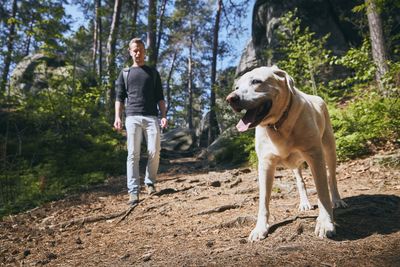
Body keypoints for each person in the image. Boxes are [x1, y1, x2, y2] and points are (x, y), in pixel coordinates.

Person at [113, 38, 167, 206]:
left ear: (144, 51)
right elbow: (119, 98)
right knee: (133, 154)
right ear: (130, 52)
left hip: (151, 117)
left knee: (154, 151)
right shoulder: (125, 73)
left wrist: (163, 115)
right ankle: (133, 191)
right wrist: (117, 117)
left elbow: (160, 97)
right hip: (132, 117)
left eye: (141, 50)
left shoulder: (152, 72)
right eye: (135, 50)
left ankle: (150, 182)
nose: (138, 53)